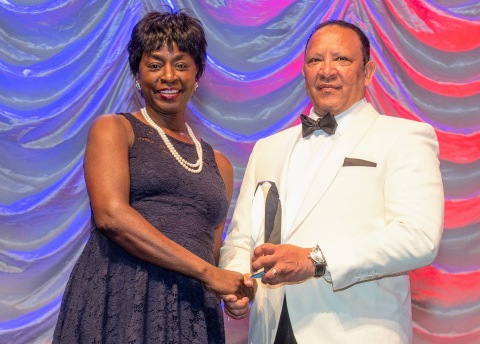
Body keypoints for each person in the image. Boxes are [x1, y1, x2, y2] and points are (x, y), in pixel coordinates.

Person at [219, 19, 444, 343]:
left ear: (367, 72)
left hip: (355, 330)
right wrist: (238, 281)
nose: (326, 70)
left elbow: (419, 237)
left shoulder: (404, 138)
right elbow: (242, 237)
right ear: (304, 72)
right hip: (270, 329)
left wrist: (316, 259)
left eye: (341, 59)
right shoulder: (268, 148)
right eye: (315, 60)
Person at [53, 10, 252, 343]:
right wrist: (208, 273)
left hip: (191, 310)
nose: (168, 76)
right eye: (155, 64)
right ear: (138, 73)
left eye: (182, 64)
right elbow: (111, 216)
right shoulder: (115, 129)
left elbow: (210, 249)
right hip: (122, 294)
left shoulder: (220, 164)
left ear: (198, 73)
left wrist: (231, 293)